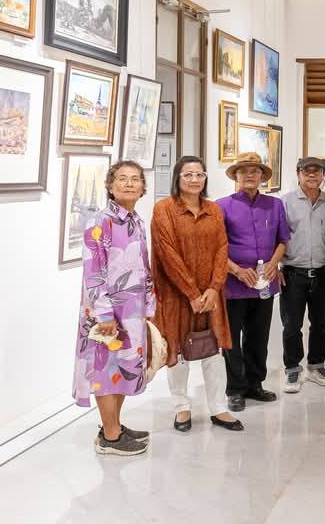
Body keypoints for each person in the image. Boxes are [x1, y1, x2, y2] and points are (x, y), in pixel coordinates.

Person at [151, 156, 242, 433]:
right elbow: (167, 254)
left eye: (199, 174)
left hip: (211, 295)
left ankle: (218, 408)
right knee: (177, 349)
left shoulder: (213, 210)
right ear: (177, 178)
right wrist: (191, 292)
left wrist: (214, 287)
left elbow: (222, 248)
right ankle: (182, 407)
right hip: (176, 294)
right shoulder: (164, 209)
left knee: (214, 351)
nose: (194, 179)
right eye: (188, 174)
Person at [73, 160, 155, 455]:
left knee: (124, 368)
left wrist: (149, 305)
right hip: (107, 312)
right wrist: (104, 314)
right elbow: (93, 272)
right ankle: (110, 437)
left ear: (143, 187)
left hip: (132, 310)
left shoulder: (137, 220)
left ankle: (115, 426)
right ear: (110, 185)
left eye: (135, 179)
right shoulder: (100, 222)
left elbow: (144, 266)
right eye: (122, 178)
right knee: (107, 371)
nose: (129, 183)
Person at [216, 152, 290, 412]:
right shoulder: (221, 206)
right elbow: (215, 247)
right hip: (233, 285)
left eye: (255, 171)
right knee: (231, 340)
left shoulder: (275, 205)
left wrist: (274, 263)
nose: (249, 175)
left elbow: (283, 240)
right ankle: (235, 389)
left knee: (259, 337)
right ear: (235, 176)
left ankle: (254, 384)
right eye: (244, 170)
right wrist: (237, 271)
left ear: (262, 176)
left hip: (265, 284)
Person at [280, 156, 325, 393]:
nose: (312, 175)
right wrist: (275, 267)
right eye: (307, 171)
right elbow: (277, 237)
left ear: (324, 175)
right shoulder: (285, 202)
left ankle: (316, 366)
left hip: (323, 273)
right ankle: (292, 369)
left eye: (317, 171)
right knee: (292, 325)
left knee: (321, 324)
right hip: (293, 273)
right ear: (298, 174)